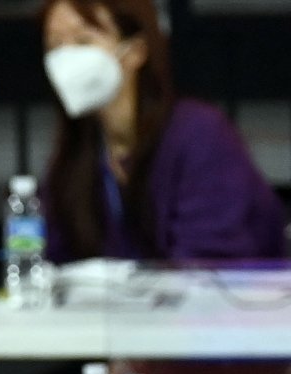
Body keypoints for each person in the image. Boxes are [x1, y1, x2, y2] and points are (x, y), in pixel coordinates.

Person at [41, 0, 286, 263]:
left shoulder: (200, 134)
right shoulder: (78, 150)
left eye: (83, 41)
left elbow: (209, 262)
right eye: (55, 46)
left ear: (136, 51)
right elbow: (50, 256)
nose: (65, 59)